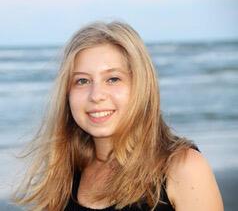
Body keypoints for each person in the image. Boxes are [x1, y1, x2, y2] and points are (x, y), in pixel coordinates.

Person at [13, 21, 224, 211]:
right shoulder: (65, 173)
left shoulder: (183, 168)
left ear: (141, 86)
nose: (96, 96)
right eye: (82, 81)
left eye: (113, 79)